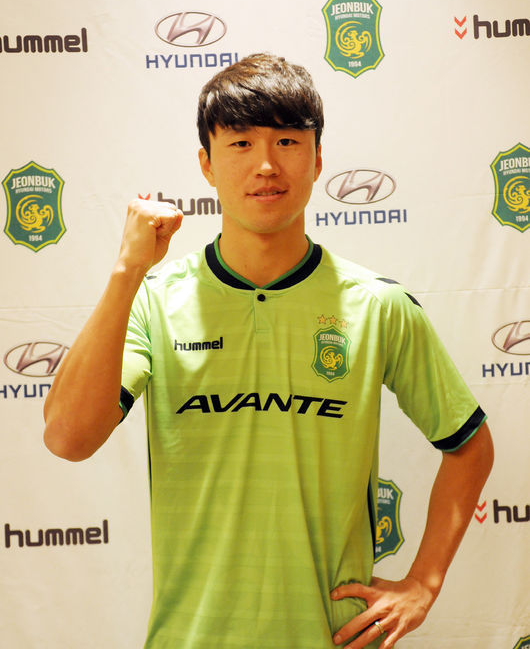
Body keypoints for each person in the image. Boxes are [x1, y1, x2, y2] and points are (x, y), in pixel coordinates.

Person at [43, 53, 494, 649]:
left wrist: (424, 583)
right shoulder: (154, 300)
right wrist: (127, 273)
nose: (265, 165)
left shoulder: (377, 305)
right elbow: (68, 438)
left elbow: (469, 446)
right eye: (240, 143)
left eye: (287, 141)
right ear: (206, 165)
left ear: (318, 160)